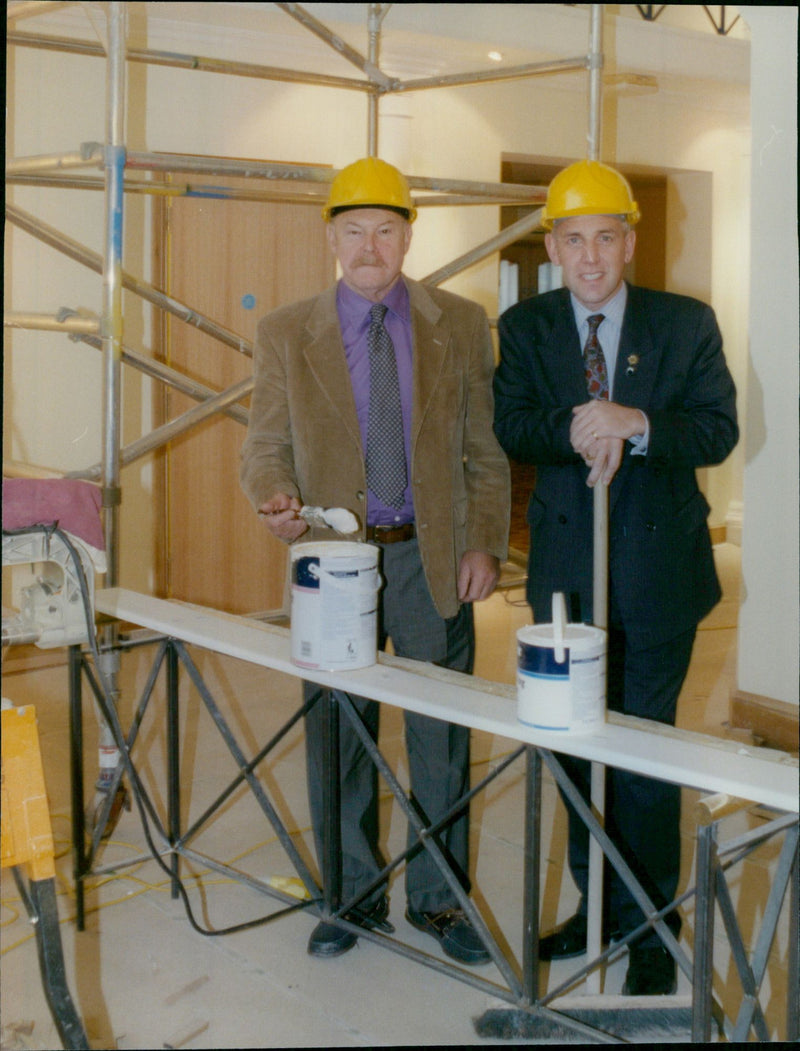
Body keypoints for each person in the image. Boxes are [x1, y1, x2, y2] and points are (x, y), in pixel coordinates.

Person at [240, 156, 510, 965]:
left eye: (385, 229)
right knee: (339, 733)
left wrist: (482, 541)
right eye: (353, 230)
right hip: (334, 565)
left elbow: (484, 449)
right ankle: (350, 896)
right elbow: (264, 443)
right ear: (331, 237)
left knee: (440, 737)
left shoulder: (460, 323)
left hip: (430, 560)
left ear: (408, 236)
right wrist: (275, 494)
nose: (369, 246)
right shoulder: (286, 331)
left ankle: (439, 898)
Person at [493, 159, 738, 995]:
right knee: (573, 747)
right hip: (566, 577)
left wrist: (634, 421)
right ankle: (594, 905)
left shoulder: (685, 323)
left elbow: (716, 429)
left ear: (629, 242)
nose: (590, 257)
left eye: (605, 238)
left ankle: (650, 928)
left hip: (660, 575)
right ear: (554, 248)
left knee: (641, 754)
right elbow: (512, 424)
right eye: (574, 240)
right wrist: (579, 425)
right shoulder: (526, 326)